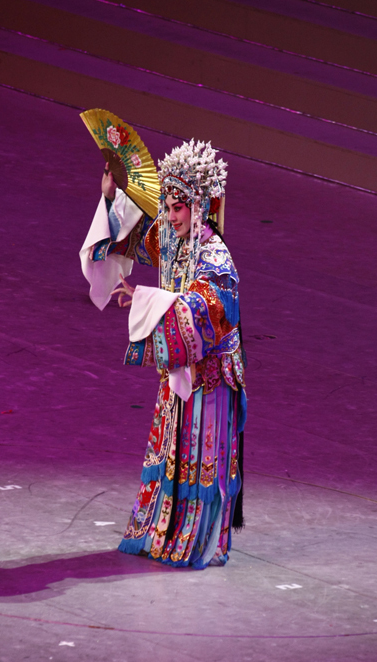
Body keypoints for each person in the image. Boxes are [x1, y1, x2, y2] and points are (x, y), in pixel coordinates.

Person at [80, 139, 246, 568]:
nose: (169, 217)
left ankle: (198, 539)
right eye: (167, 207)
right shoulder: (170, 238)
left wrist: (145, 298)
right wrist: (113, 195)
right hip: (180, 368)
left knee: (198, 456)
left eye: (177, 208)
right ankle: (162, 530)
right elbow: (131, 238)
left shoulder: (215, 256)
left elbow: (212, 310)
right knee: (172, 450)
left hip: (209, 374)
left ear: (198, 205)